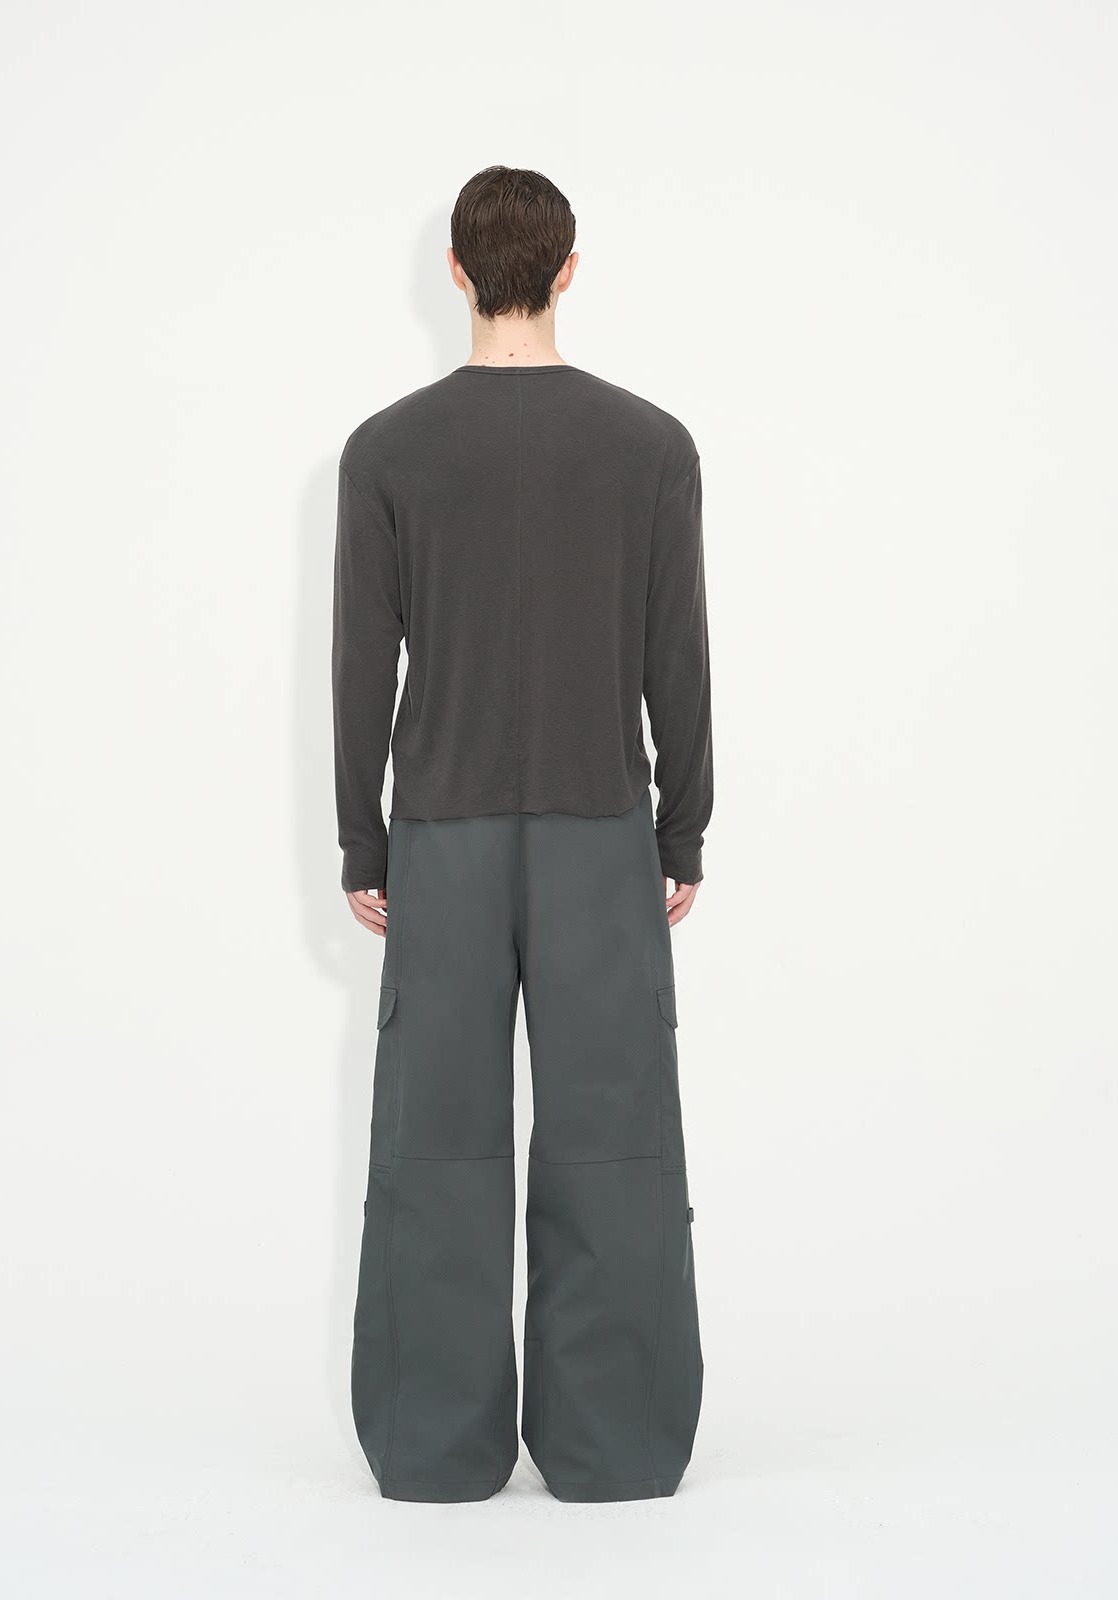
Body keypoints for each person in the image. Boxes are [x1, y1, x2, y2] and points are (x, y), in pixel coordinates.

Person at [332, 165, 712, 1504]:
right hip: (601, 830)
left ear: (455, 270)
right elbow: (678, 657)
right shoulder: (649, 446)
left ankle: (434, 1449)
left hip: (442, 834)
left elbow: (361, 669)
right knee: (614, 1137)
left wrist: (363, 843)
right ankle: (617, 1446)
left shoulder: (388, 450)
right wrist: (682, 832)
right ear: (566, 269)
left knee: (435, 1141)